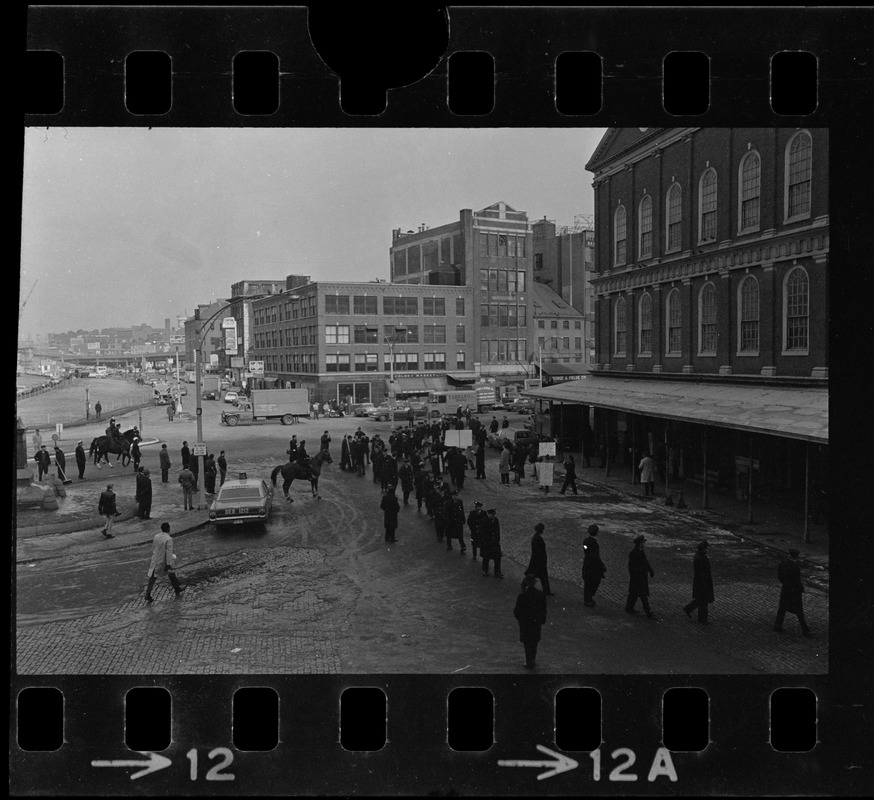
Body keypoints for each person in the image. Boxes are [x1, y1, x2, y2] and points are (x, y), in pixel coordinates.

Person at [774, 548, 814, 637]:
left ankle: (777, 625)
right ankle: (805, 630)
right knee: (799, 611)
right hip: (794, 592)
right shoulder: (795, 567)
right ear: (796, 557)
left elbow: (779, 576)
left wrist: (785, 584)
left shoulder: (783, 564)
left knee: (782, 608)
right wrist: (801, 589)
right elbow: (797, 581)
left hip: (785, 589)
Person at [514, 574, 548, 670]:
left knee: (527, 643)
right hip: (536, 623)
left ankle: (529, 661)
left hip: (525, 624)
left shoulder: (522, 596)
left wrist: (521, 619)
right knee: (534, 642)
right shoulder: (541, 595)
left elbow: (517, 611)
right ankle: (533, 659)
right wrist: (542, 620)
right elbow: (543, 609)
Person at [144, 522, 184, 602]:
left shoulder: (156, 536)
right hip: (164, 561)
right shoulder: (168, 539)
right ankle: (177, 588)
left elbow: (154, 547)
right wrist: (168, 564)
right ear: (168, 528)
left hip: (155, 560)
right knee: (171, 573)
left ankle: (148, 594)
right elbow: (169, 552)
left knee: (153, 577)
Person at [625, 535, 657, 618]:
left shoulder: (640, 551)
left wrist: (650, 570)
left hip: (639, 577)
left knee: (633, 594)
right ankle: (648, 612)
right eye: (643, 542)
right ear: (640, 543)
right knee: (643, 596)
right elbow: (632, 567)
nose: (644, 544)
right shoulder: (635, 553)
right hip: (638, 578)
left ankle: (629, 607)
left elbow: (645, 561)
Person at [581, 524, 606, 607]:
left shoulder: (586, 541)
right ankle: (588, 599)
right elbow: (595, 556)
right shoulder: (594, 543)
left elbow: (586, 551)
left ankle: (588, 599)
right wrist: (602, 565)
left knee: (588, 583)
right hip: (593, 566)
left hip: (587, 565)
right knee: (593, 582)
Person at [526, 522, 553, 595]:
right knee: (537, 575)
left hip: (539, 560)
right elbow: (537, 552)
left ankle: (547, 591)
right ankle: (546, 591)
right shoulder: (537, 539)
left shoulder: (537, 537)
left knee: (540, 575)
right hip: (538, 560)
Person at [480, 508, 504, 578]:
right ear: (488, 514)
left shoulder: (496, 520)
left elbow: (497, 530)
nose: (493, 516)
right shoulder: (483, 521)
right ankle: (485, 571)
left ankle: (497, 572)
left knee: (498, 558)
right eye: (492, 515)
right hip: (487, 543)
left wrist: (497, 539)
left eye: (494, 514)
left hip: (495, 543)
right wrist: (484, 542)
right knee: (486, 558)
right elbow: (481, 533)